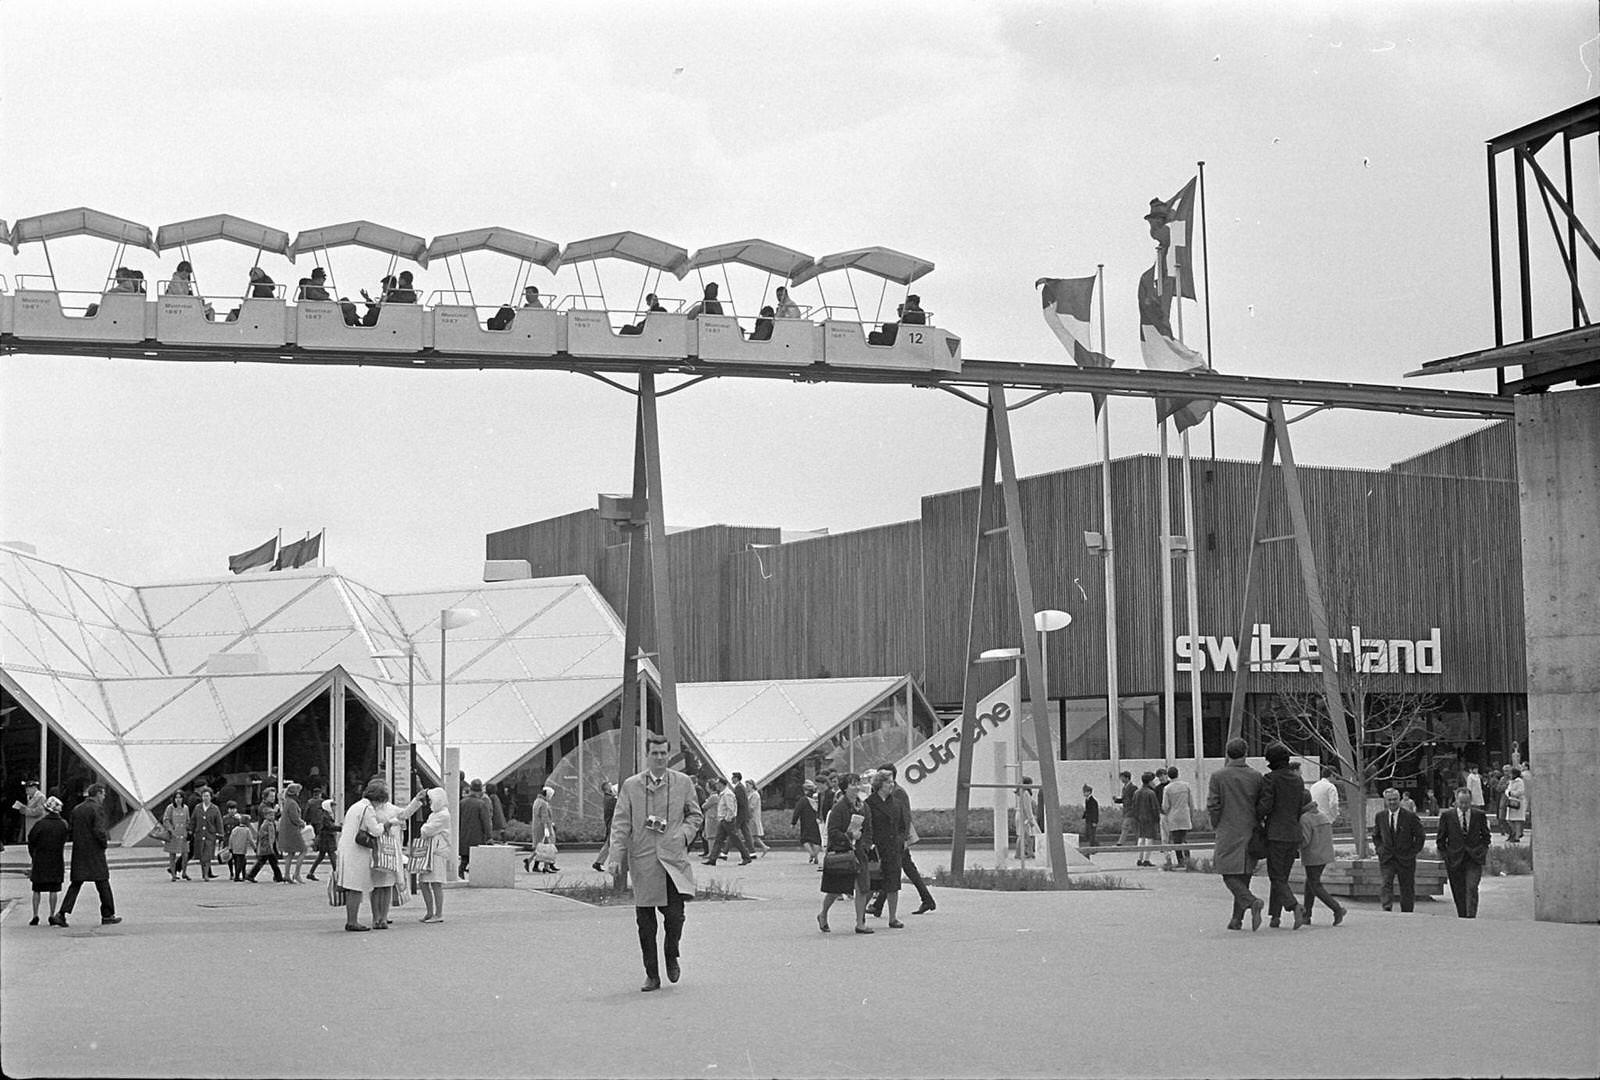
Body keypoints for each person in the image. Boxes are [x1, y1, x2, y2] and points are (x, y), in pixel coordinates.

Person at [605, 734, 704, 992]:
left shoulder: (682, 783)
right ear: (647, 756)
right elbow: (620, 823)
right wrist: (615, 856)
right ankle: (652, 974)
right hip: (644, 862)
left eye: (663, 753)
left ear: (667, 755)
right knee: (646, 925)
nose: (659, 757)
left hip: (672, 861)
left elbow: (695, 815)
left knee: (675, 917)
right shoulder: (631, 786)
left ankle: (672, 953)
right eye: (654, 753)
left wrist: (684, 834)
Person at [1208, 738, 1266, 931]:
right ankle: (1236, 919)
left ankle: (1251, 902)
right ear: (1246, 753)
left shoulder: (1218, 776)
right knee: (1244, 874)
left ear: (1227, 753)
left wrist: (1215, 823)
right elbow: (1261, 803)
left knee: (1227, 872)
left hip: (1227, 829)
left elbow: (1213, 804)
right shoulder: (1256, 776)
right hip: (1250, 830)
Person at [1257, 744, 1307, 929]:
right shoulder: (1298, 780)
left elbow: (1266, 806)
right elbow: (1299, 806)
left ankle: (1294, 906)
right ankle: (1275, 916)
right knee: (1282, 877)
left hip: (1276, 834)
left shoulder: (1270, 779)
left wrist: (1256, 815)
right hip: (1294, 833)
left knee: (1276, 877)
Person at [818, 772, 875, 934]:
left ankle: (860, 923)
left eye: (858, 783)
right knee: (836, 889)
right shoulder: (839, 808)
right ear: (845, 788)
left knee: (862, 888)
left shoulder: (864, 807)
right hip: (842, 854)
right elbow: (833, 831)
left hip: (859, 852)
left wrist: (866, 845)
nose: (857, 787)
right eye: (852, 784)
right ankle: (823, 914)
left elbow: (869, 829)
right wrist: (849, 835)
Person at [57, 784, 119, 927]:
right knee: (103, 883)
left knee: (76, 883)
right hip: (95, 852)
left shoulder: (77, 809)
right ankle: (107, 914)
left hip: (80, 851)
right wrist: (103, 843)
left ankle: (62, 913)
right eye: (103, 794)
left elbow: (72, 828)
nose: (104, 797)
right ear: (97, 794)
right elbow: (99, 830)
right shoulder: (97, 809)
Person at [336, 778, 388, 931]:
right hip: (356, 851)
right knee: (356, 887)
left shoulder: (355, 806)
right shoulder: (368, 809)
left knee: (352, 886)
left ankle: (351, 920)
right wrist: (385, 825)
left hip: (346, 848)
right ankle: (352, 922)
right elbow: (375, 830)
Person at [1437, 785, 1491, 918]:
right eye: (1461, 802)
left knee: (1472, 887)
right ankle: (1462, 916)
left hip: (1474, 858)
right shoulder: (1447, 816)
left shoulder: (1479, 815)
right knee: (1458, 890)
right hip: (1454, 859)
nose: (1464, 805)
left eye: (1467, 802)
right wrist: (1446, 856)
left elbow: (1486, 836)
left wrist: (1482, 851)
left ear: (1470, 801)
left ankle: (1471, 916)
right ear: (1456, 801)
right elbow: (1441, 839)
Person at [863, 769, 908, 927]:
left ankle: (893, 918)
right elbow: (866, 826)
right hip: (876, 850)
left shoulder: (896, 803)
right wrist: (868, 844)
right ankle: (860, 916)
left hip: (893, 849)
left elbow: (903, 825)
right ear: (880, 784)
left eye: (892, 782)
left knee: (893, 885)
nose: (892, 784)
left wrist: (901, 840)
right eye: (888, 782)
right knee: (871, 885)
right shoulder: (869, 803)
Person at [1372, 786, 1426, 912]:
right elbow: (1376, 835)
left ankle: (1407, 911)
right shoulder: (1380, 816)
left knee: (1407, 886)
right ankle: (1387, 908)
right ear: (1385, 801)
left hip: (1406, 858)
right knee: (1386, 883)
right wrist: (1380, 849)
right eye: (1389, 800)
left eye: (1395, 799)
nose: (1392, 802)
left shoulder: (1410, 816)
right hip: (1387, 857)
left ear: (1399, 799)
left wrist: (1413, 852)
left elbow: (1420, 836)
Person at [1299, 790, 1346, 926]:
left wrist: (1295, 845)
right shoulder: (1322, 815)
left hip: (1312, 856)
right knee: (1310, 883)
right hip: (1324, 854)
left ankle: (1337, 908)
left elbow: (1305, 840)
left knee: (1315, 885)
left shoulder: (1305, 818)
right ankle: (1306, 915)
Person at [408, 787, 453, 923]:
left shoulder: (443, 815)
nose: (429, 802)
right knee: (424, 882)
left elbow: (427, 830)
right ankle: (429, 912)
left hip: (437, 852)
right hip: (430, 851)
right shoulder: (435, 814)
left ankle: (438, 913)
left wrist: (423, 828)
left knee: (435, 883)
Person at [27, 796, 68, 926]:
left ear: (46, 810)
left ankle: (35, 915)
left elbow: (31, 840)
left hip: (40, 860)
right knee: (53, 889)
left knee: (36, 889)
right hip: (56, 860)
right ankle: (51, 914)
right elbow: (64, 840)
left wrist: (33, 855)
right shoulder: (63, 824)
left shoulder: (40, 824)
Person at [703, 777, 755, 865]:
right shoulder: (724, 793)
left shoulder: (727, 794)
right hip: (724, 819)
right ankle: (712, 859)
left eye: (717, 784)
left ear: (721, 784)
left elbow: (731, 807)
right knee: (719, 840)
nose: (716, 786)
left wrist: (728, 817)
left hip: (727, 820)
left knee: (735, 839)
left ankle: (746, 857)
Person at [244, 794, 284, 883]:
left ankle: (277, 876)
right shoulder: (266, 824)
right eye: (270, 815)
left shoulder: (270, 823)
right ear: (266, 816)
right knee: (269, 862)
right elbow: (263, 835)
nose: (272, 817)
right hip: (267, 847)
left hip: (268, 846)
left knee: (271, 862)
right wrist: (269, 845)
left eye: (273, 815)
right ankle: (251, 875)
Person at [458, 779, 493, 876]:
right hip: (477, 836)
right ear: (480, 790)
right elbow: (486, 822)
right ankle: (472, 876)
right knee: (475, 859)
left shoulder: (462, 802)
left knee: (465, 857)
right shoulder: (481, 804)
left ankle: (461, 871)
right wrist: (489, 836)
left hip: (463, 835)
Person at [1162, 766, 1195, 867]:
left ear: (1168, 776)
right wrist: (1191, 814)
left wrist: (1165, 813)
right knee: (1184, 838)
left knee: (1176, 840)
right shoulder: (1186, 786)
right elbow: (1191, 802)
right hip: (1185, 814)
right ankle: (1188, 859)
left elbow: (1165, 806)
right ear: (1178, 773)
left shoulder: (1167, 788)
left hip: (1173, 816)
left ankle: (1180, 861)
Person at [189, 786, 223, 880]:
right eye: (204, 796)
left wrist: (220, 833)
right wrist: (191, 830)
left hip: (210, 834)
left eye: (207, 796)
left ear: (211, 797)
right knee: (201, 854)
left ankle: (206, 874)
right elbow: (193, 820)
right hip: (199, 834)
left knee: (207, 855)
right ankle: (203, 872)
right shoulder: (197, 808)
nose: (205, 798)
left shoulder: (215, 808)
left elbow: (219, 822)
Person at [278, 782, 308, 883]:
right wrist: (302, 823)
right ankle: (297, 873)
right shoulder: (292, 803)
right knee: (303, 850)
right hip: (292, 830)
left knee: (291, 853)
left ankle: (287, 874)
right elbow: (294, 818)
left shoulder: (287, 801)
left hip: (287, 830)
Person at [1131, 772, 1162, 866]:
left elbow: (1134, 806)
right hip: (1150, 818)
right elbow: (1155, 807)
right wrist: (1157, 818)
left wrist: (1136, 817)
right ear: (1149, 782)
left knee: (1141, 838)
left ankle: (1139, 858)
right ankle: (1146, 859)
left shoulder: (1136, 792)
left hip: (1139, 818)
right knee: (1149, 839)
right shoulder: (1151, 793)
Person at [161, 791, 192, 882]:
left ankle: (184, 872)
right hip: (173, 834)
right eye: (176, 797)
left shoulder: (185, 808)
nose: (178, 800)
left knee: (185, 854)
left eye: (180, 797)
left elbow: (188, 820)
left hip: (183, 833)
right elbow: (166, 820)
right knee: (172, 854)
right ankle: (173, 874)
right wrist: (171, 829)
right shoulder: (170, 808)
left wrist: (188, 829)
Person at [308, 796, 339, 881]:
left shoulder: (326, 815)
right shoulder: (325, 816)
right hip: (327, 838)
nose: (334, 808)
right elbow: (330, 827)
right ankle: (337, 873)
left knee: (321, 856)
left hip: (325, 838)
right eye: (332, 806)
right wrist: (340, 828)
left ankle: (311, 873)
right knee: (332, 855)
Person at [792, 780, 822, 865]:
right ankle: (816, 856)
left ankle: (812, 854)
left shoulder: (803, 800)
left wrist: (793, 822)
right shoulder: (818, 800)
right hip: (817, 822)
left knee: (805, 840)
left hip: (806, 823)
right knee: (817, 841)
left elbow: (797, 811)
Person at [528, 785, 558, 873]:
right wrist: (547, 828)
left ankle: (534, 863)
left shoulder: (537, 801)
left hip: (537, 826)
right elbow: (544, 817)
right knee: (547, 847)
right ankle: (546, 866)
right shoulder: (544, 803)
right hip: (544, 827)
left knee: (540, 846)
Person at [592, 780, 619, 872]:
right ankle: (599, 862)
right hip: (613, 824)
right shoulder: (611, 799)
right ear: (607, 789)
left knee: (609, 843)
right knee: (610, 844)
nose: (612, 786)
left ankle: (599, 862)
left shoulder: (609, 798)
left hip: (611, 824)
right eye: (610, 785)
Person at [746, 779, 771, 856]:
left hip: (753, 817)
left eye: (747, 785)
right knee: (753, 836)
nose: (746, 787)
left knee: (751, 835)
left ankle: (751, 851)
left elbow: (751, 807)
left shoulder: (755, 795)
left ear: (752, 785)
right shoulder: (751, 794)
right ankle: (763, 847)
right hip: (752, 817)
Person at [227, 813, 255, 881]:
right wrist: (255, 848)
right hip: (242, 849)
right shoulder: (247, 830)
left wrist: (230, 847)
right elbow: (251, 840)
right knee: (241, 863)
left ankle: (243, 875)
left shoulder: (235, 829)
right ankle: (237, 876)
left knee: (238, 862)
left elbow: (230, 838)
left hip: (234, 849)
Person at [1503, 767, 1526, 842]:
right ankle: (1514, 832)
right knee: (1509, 819)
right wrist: (1508, 793)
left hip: (1518, 802)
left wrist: (1512, 793)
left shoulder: (1519, 781)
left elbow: (1521, 791)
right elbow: (1507, 790)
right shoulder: (1511, 781)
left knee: (1517, 820)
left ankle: (1517, 836)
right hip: (1511, 802)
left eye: (1511, 773)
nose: (1509, 775)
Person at [1114, 771, 1136, 845]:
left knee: (1125, 826)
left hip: (1131, 810)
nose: (1121, 779)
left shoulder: (1133, 788)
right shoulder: (1124, 788)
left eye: (1122, 778)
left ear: (1127, 778)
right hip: (1126, 810)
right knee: (1135, 827)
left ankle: (1120, 842)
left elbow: (1135, 799)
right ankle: (1139, 842)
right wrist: (1116, 800)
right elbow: (1124, 799)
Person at [1080, 785, 1099, 849]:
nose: (1084, 793)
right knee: (1088, 834)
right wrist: (1084, 816)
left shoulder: (1093, 801)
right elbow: (1087, 809)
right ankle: (1096, 846)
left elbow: (1095, 812)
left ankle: (1093, 848)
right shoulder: (1087, 800)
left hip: (1092, 820)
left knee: (1092, 835)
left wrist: (1095, 821)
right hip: (1088, 820)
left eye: (1085, 792)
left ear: (1089, 792)